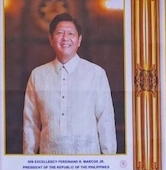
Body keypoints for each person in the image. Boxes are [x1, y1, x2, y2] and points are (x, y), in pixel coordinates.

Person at [23, 13, 117, 155]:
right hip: (49, 162)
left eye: (71, 33)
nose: (65, 38)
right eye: (60, 33)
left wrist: (110, 160)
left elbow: (106, 120)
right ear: (51, 39)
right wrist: (27, 159)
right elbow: (31, 122)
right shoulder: (38, 75)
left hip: (88, 162)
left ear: (79, 40)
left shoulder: (96, 73)